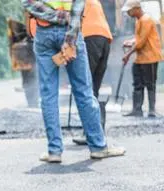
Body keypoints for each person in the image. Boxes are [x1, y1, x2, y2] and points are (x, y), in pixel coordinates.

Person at [22, 0, 126, 162]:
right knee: (84, 91)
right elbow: (78, 6)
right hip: (69, 28)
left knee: (48, 95)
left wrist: (51, 17)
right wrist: (69, 37)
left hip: (43, 32)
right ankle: (98, 147)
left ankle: (54, 151)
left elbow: (28, 2)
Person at [73, 0, 113, 145]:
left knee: (86, 88)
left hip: (89, 38)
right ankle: (97, 132)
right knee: (93, 87)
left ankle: (90, 133)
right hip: (105, 40)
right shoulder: (95, 2)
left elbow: (71, 23)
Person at [122, 0, 162, 118]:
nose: (128, 13)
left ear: (136, 9)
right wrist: (130, 42)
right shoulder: (139, 21)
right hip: (141, 57)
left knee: (150, 84)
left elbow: (141, 42)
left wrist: (128, 54)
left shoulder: (146, 20)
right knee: (137, 83)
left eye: (129, 11)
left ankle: (151, 110)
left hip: (150, 57)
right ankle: (137, 109)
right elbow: (138, 39)